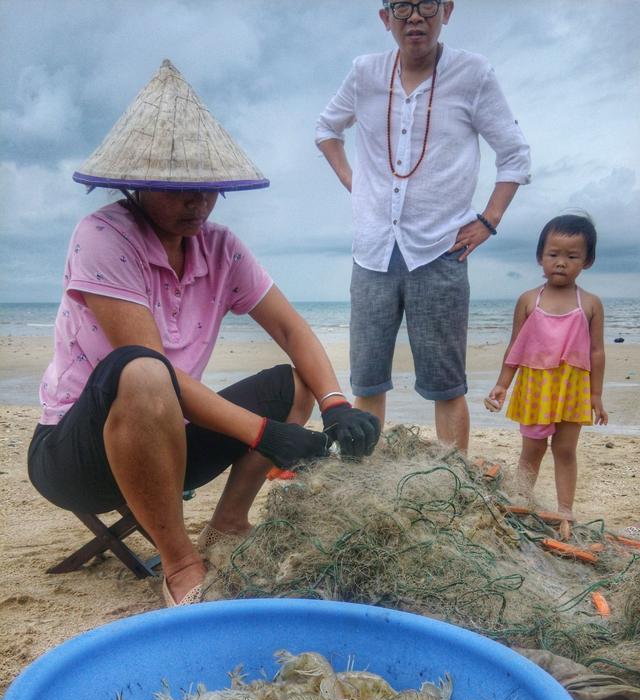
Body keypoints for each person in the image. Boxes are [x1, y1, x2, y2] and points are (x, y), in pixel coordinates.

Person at [28, 60, 380, 607]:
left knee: (296, 383)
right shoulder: (102, 236)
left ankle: (226, 526)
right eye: (181, 190)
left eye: (208, 189)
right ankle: (180, 561)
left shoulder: (220, 246)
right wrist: (267, 435)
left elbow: (291, 327)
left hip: (165, 438)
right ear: (138, 185)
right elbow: (149, 367)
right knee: (143, 372)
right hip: (77, 455)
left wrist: (335, 404)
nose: (198, 202)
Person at [315, 0, 531, 451]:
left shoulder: (474, 74)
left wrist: (488, 221)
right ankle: (363, 474)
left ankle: (455, 481)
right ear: (385, 18)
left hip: (440, 250)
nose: (415, 16)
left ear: (446, 11)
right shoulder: (365, 73)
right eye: (402, 6)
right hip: (372, 250)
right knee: (368, 378)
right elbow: (326, 129)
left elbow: (515, 154)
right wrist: (352, 182)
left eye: (427, 5)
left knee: (446, 384)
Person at [486, 214, 608, 522]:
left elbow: (597, 351)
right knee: (533, 449)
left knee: (565, 450)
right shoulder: (529, 300)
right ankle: (522, 502)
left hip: (572, 387)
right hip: (535, 386)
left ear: (587, 261)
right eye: (553, 254)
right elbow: (515, 347)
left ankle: (565, 510)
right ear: (540, 257)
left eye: (572, 256)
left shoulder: (590, 303)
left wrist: (596, 396)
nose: (561, 262)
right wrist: (502, 384)